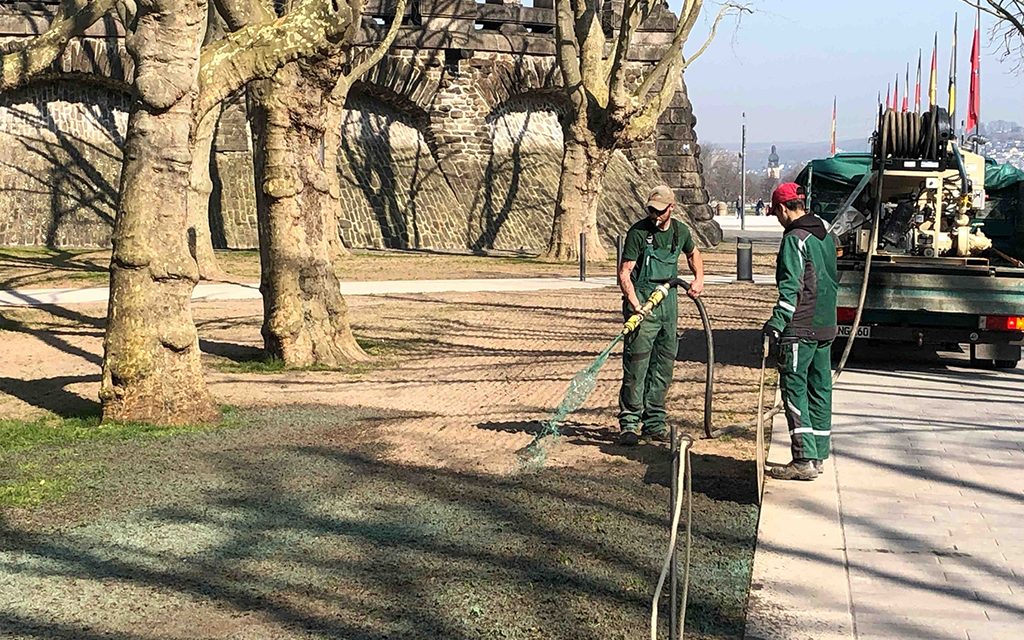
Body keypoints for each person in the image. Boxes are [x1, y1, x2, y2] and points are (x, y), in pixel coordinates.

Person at [617, 185, 705, 445]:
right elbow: (624, 272)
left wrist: (698, 279)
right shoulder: (638, 233)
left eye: (660, 211)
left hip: (669, 306)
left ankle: (654, 423)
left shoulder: (680, 232)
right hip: (643, 303)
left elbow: (693, 253)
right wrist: (635, 304)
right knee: (637, 365)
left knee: (663, 365)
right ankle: (629, 423)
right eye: (651, 210)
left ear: (671, 208)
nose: (654, 215)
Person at [762, 183, 838, 480]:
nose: (778, 219)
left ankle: (803, 458)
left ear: (783, 208)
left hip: (801, 327)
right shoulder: (825, 233)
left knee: (794, 390)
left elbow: (791, 286)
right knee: (820, 390)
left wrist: (776, 324)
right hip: (826, 325)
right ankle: (818, 456)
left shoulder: (795, 238)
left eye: (776, 214)